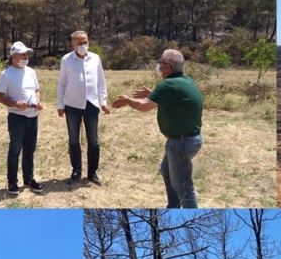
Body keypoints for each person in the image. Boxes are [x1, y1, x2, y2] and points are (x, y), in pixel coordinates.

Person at [112, 49, 203, 208]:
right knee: (167, 171)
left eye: (160, 62)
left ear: (167, 67)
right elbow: (177, 99)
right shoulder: (186, 81)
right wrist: (154, 94)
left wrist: (127, 100)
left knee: (184, 187)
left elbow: (144, 106)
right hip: (190, 139)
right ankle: (173, 207)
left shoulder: (168, 85)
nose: (157, 64)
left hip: (180, 143)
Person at [56, 30, 110, 186]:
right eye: (79, 43)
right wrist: (60, 104)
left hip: (91, 104)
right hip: (72, 105)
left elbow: (101, 81)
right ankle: (76, 171)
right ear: (73, 43)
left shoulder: (95, 58)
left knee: (93, 141)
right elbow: (62, 83)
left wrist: (103, 101)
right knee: (74, 140)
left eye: (85, 42)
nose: (83, 45)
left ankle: (92, 173)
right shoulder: (67, 60)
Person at [0, 41, 44, 196]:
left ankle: (29, 179)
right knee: (15, 150)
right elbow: (0, 96)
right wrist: (15, 103)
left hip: (33, 116)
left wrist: (38, 101)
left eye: (27, 53)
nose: (26, 56)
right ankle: (12, 181)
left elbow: (37, 90)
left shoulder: (31, 72)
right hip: (17, 117)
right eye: (23, 54)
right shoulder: (6, 74)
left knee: (30, 149)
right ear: (14, 56)